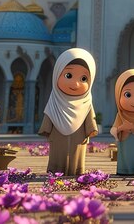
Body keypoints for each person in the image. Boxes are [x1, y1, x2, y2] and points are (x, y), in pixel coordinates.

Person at [38, 48, 98, 176]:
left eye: (83, 78)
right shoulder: (55, 101)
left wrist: (92, 129)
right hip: (57, 137)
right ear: (57, 74)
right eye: (68, 76)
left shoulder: (86, 103)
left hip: (79, 137)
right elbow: (49, 115)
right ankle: (55, 169)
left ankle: (77, 169)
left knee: (77, 156)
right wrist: (45, 129)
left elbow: (89, 118)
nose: (75, 84)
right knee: (57, 155)